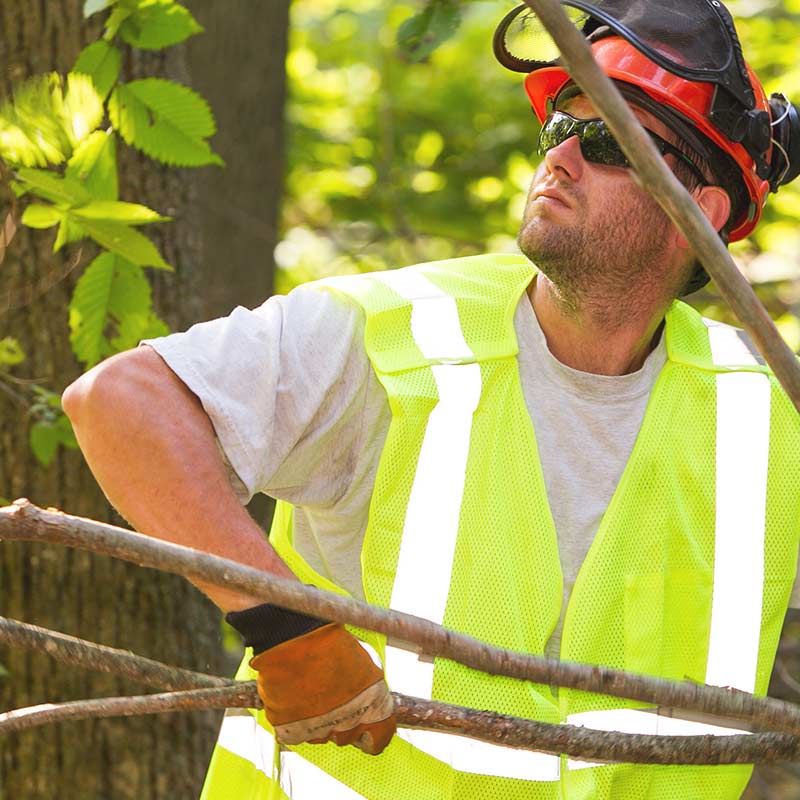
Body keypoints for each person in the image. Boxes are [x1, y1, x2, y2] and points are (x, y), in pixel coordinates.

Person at [63, 1, 800, 798]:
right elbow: (120, 401)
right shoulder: (394, 336)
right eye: (559, 129)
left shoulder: (766, 413)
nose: (558, 160)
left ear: (700, 212)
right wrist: (286, 629)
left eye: (603, 141)